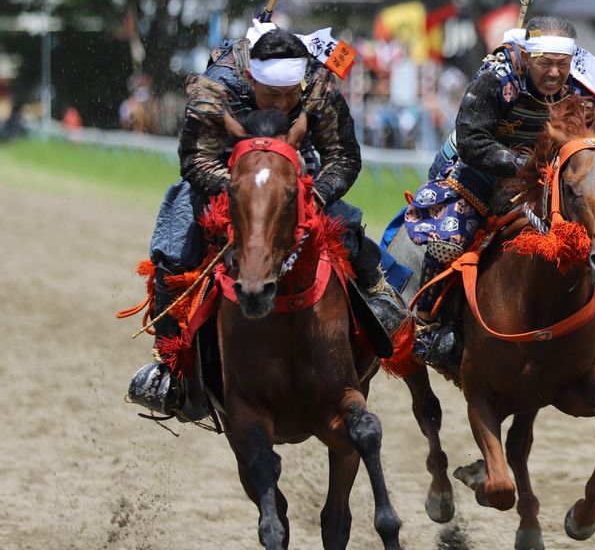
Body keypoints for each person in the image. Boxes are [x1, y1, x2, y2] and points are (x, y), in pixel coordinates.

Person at [127, 21, 406, 421]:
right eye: (271, 95)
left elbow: (343, 155)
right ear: (250, 79)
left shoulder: (317, 85)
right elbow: (194, 158)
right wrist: (246, 190)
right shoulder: (217, 88)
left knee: (352, 236)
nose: (280, 104)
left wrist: (312, 192)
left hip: (299, 182)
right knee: (173, 252)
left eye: (289, 96)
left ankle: (381, 307)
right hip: (224, 185)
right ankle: (171, 366)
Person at [394, 15, 595, 368]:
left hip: (547, 177)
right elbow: (471, 140)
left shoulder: (580, 89)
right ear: (528, 57)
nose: (553, 73)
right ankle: (428, 325)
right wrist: (518, 164)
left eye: (561, 65)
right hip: (481, 171)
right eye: (545, 63)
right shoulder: (496, 77)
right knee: (448, 241)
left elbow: (588, 142)